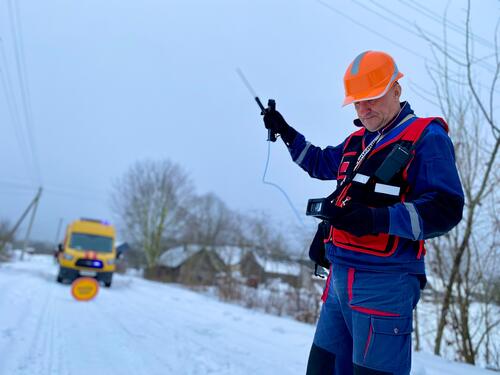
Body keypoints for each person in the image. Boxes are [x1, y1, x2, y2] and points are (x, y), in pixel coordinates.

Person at [262, 50, 464, 375]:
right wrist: (285, 131)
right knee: (322, 370)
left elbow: (446, 208)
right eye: (357, 101)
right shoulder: (358, 141)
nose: (363, 108)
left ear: (396, 90)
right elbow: (318, 162)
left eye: (372, 97)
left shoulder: (426, 137)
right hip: (339, 277)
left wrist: (376, 219)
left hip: (384, 282)